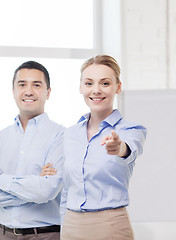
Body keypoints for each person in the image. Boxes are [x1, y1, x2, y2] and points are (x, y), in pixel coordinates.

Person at [60, 55, 147, 240]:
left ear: (118, 87)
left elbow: (129, 150)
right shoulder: (70, 134)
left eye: (105, 83)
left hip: (110, 225)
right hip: (71, 225)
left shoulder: (130, 130)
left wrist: (119, 147)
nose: (96, 90)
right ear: (81, 87)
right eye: (89, 83)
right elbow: (67, 188)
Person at [0, 61, 64, 240]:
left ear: (48, 92)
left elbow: (46, 191)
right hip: (3, 234)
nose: (28, 91)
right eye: (22, 84)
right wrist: (33, 184)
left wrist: (0, 180)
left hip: (45, 235)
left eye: (36, 85)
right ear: (13, 90)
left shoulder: (61, 136)